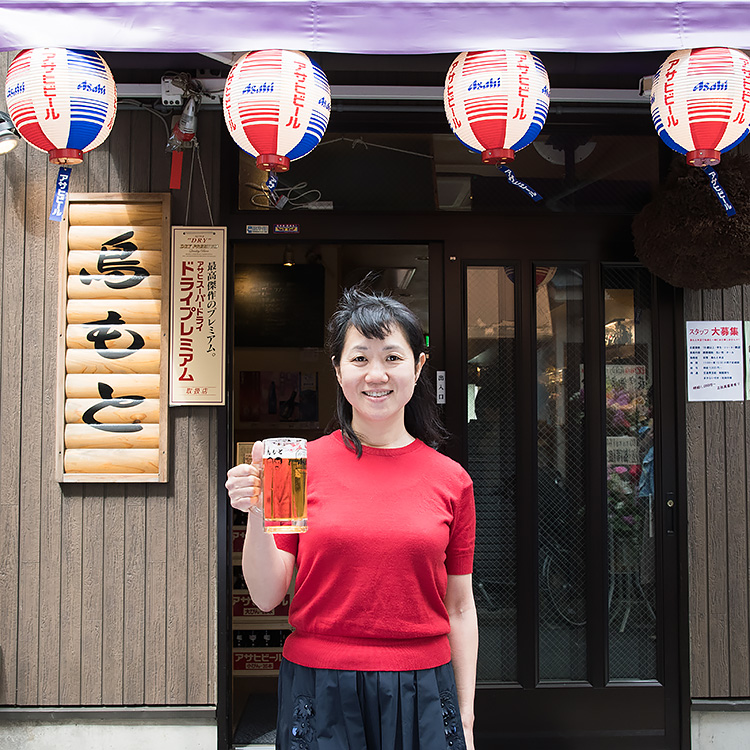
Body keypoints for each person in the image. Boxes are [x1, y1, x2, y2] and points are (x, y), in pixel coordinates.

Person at [226, 284, 478, 750]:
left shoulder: (452, 480)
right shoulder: (290, 466)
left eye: (392, 357)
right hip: (320, 689)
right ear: (338, 371)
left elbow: (460, 607)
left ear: (418, 367)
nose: (376, 374)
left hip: (423, 686)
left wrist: (465, 716)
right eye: (359, 358)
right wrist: (258, 511)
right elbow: (265, 595)